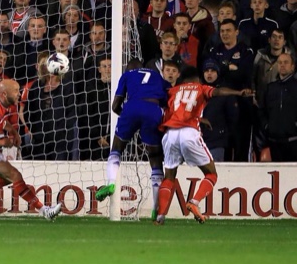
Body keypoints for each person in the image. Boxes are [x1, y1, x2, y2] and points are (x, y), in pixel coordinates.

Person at [155, 67, 252, 224]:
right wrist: (238, 93)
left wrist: (199, 119)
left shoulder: (173, 91)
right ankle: (194, 202)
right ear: (197, 79)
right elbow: (218, 92)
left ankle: (161, 215)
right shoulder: (200, 88)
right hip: (189, 133)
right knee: (211, 174)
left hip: (170, 133)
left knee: (169, 176)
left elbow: (179, 112)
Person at [0, 79, 63, 220]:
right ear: (3, 94)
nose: (19, 94)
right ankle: (44, 210)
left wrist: (13, 132)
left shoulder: (1, 103)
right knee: (15, 175)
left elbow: (2, 121)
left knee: (7, 178)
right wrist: (2, 141)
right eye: (15, 91)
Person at [95, 58, 170, 220]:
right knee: (155, 158)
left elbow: (115, 106)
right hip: (153, 110)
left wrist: (128, 120)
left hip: (132, 108)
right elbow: (168, 101)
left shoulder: (127, 75)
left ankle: (111, 182)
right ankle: (156, 209)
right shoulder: (159, 78)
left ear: (128, 68)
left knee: (116, 149)